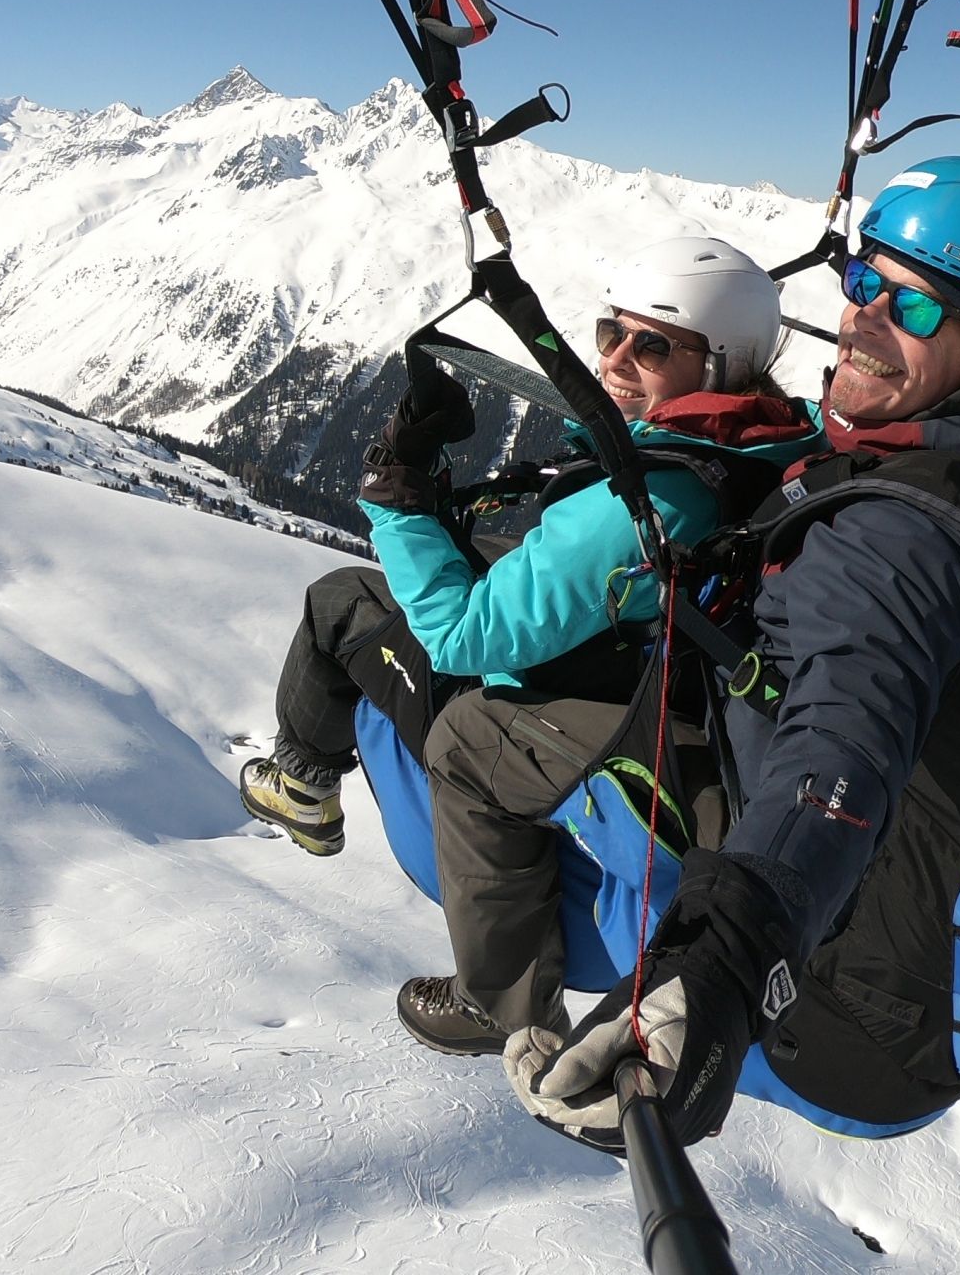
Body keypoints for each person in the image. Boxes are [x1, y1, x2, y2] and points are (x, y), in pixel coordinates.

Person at [504, 154, 960, 1146]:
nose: (862, 317)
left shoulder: (900, 540)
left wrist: (727, 962)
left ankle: (501, 998)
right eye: (863, 282)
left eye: (914, 309)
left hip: (833, 1009)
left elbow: (844, 745)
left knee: (474, 740)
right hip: (946, 977)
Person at [235, 235, 827, 1048]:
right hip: (662, 646)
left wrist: (397, 495)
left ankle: (500, 1003)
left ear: (721, 363)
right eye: (609, 333)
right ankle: (302, 778)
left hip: (627, 685)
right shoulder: (768, 432)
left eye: (652, 345)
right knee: (359, 595)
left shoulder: (653, 499)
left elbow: (458, 634)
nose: (617, 360)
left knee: (459, 735)